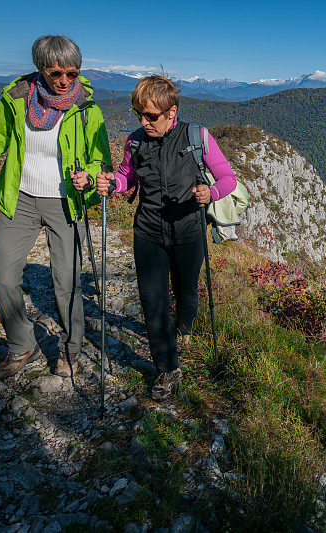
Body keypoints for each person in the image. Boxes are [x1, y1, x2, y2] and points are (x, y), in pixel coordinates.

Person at [0, 35, 112, 379]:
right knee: (2, 276)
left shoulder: (87, 110)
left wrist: (90, 178)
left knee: (67, 282)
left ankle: (71, 348)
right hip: (20, 197)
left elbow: (99, 159)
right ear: (40, 69)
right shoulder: (17, 99)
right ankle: (23, 346)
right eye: (56, 73)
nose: (64, 81)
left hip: (66, 202)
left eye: (72, 74)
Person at [90, 76, 236, 399]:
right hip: (148, 231)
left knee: (186, 292)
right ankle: (167, 368)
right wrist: (109, 184)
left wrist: (209, 193)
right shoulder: (135, 142)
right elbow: (127, 178)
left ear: (172, 112)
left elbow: (229, 178)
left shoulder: (197, 137)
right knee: (152, 300)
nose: (144, 121)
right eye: (138, 114)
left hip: (188, 230)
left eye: (151, 116)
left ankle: (185, 327)